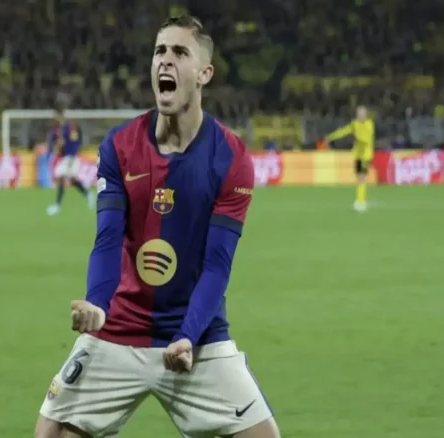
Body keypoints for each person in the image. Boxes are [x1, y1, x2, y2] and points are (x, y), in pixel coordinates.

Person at [35, 15, 280, 438]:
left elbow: (217, 265)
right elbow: (108, 239)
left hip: (196, 334)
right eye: (159, 51)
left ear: (205, 73)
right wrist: (97, 305)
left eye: (180, 52)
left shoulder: (231, 158)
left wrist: (187, 336)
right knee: (51, 434)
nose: (165, 61)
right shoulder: (120, 146)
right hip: (119, 327)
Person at [45, 101, 95, 216]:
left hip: (71, 157)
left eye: (56, 115)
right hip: (65, 157)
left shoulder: (69, 128)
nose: (54, 118)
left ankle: (57, 205)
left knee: (62, 176)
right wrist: (51, 152)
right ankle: (88, 194)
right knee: (72, 180)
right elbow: (53, 143)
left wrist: (71, 153)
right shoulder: (56, 129)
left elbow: (74, 141)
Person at [324, 105, 375, 212]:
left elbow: (366, 140)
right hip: (358, 154)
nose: (360, 115)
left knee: (361, 176)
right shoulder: (355, 124)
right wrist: (331, 137)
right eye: (358, 113)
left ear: (366, 115)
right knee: (360, 177)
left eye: (362, 113)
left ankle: (361, 202)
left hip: (365, 154)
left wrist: (357, 136)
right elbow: (344, 131)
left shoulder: (369, 125)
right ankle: (360, 200)